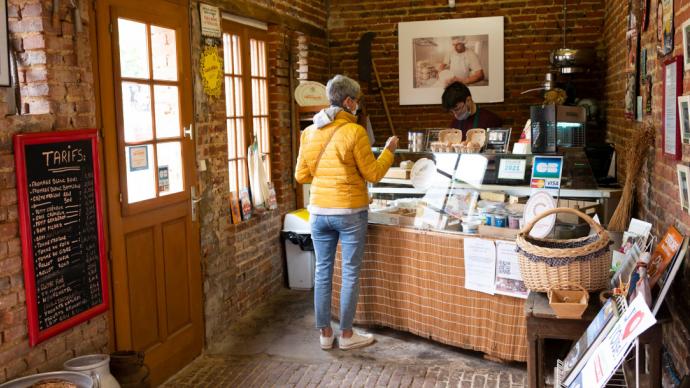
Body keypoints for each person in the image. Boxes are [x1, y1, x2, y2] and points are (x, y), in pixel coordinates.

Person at [295, 74, 398, 350]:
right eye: (357, 101)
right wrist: (388, 151)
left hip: (318, 211)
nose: (358, 106)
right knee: (350, 271)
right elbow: (373, 174)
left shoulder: (308, 133)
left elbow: (301, 175)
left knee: (322, 272)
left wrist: (326, 174)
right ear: (348, 101)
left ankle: (325, 335)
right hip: (350, 211)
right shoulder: (355, 132)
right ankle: (348, 335)